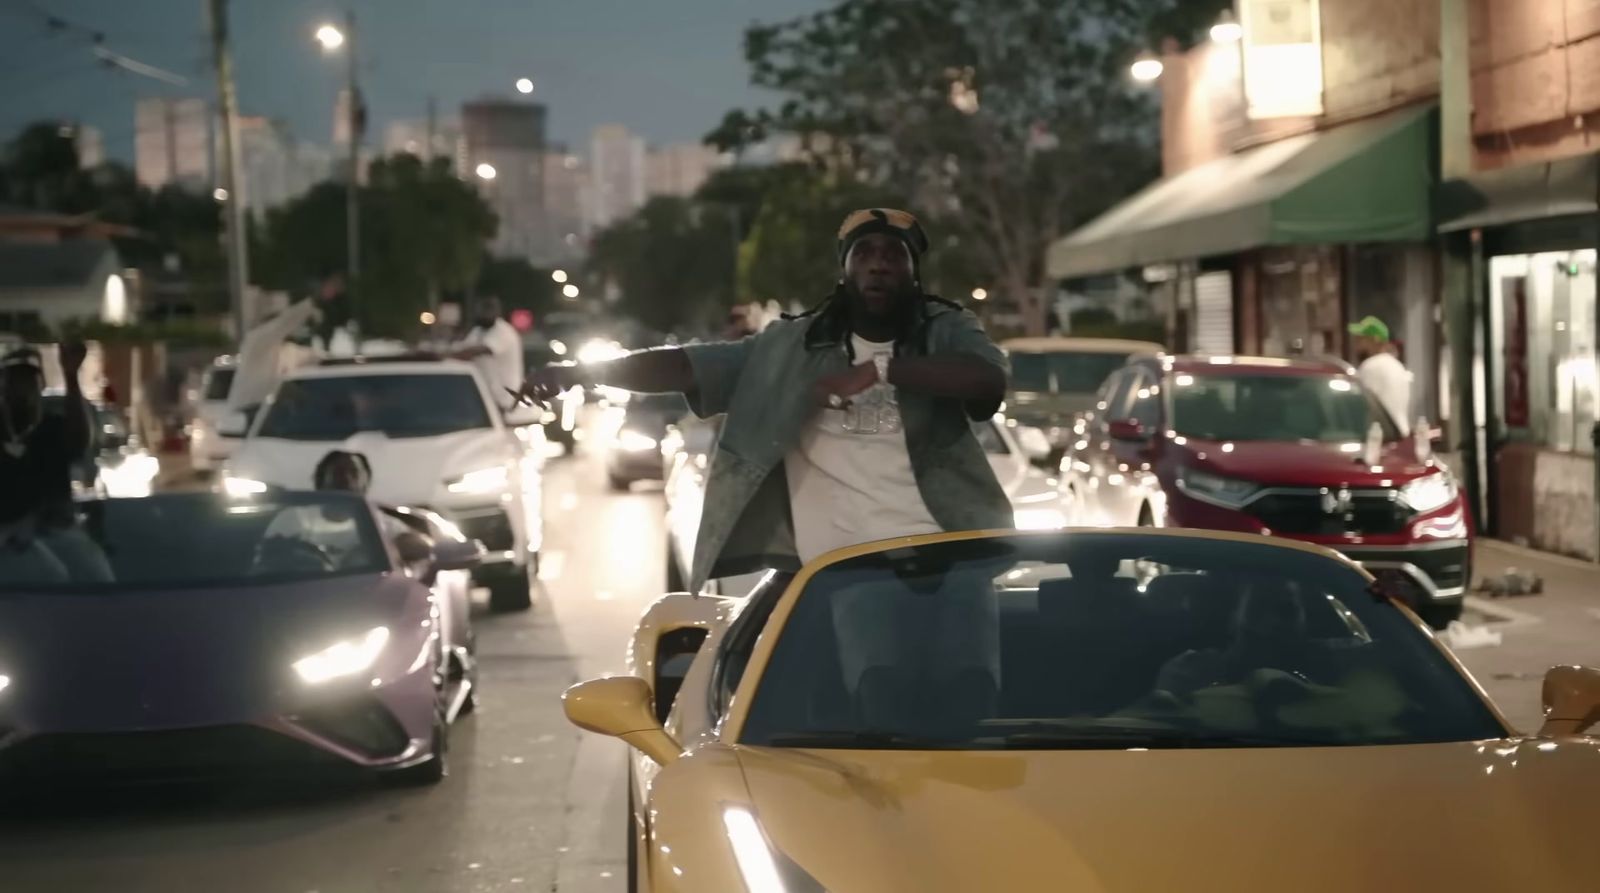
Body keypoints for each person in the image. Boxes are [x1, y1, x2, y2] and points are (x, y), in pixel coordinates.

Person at [522, 207, 1011, 700]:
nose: (879, 264)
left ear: (913, 271)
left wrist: (882, 371)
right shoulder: (791, 348)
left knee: (975, 697)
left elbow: (988, 381)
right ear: (844, 269)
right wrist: (584, 373)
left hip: (952, 556)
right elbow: (690, 366)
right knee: (880, 699)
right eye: (865, 253)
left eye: (893, 254)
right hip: (849, 569)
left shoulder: (945, 328)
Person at [0, 343, 113, 584]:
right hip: (9, 540)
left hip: (59, 532)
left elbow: (80, 440)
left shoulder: (52, 428)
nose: (22, 390)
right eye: (14, 381)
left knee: (100, 578)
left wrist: (71, 375)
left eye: (29, 381)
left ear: (40, 385)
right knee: (51, 578)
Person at [449, 296, 524, 411]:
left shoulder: (503, 331)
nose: (485, 314)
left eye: (489, 310)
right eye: (483, 310)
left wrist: (445, 355)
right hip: (485, 399)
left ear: (497, 312)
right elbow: (462, 350)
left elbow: (476, 351)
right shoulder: (478, 331)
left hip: (504, 400)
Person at [1348, 316, 1414, 435]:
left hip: (1380, 436)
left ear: (1375, 340)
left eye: (1361, 340)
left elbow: (1361, 407)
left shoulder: (1370, 366)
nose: (1356, 346)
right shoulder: (1398, 366)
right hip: (1402, 433)